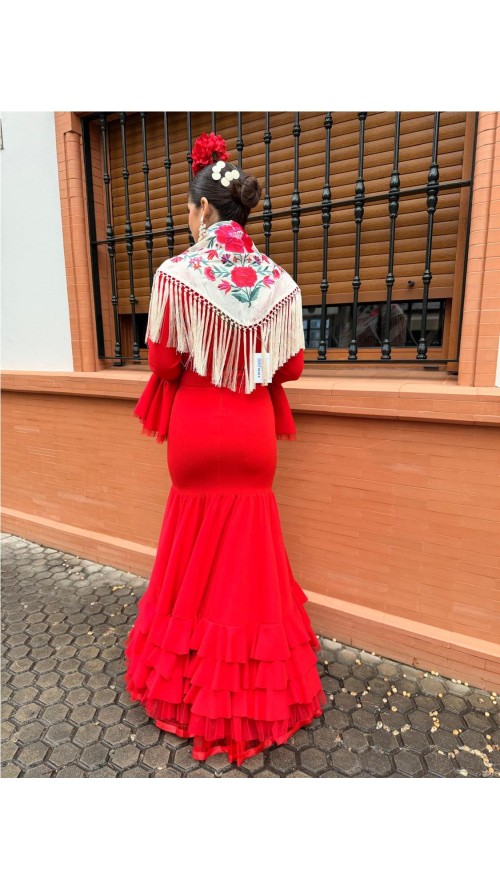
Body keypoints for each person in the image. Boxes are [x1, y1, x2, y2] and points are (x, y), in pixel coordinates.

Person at [124, 132, 327, 768]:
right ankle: (253, 694)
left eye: (189, 209)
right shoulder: (278, 283)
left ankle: (184, 686)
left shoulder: (177, 274)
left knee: (191, 554)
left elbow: (162, 359)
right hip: (249, 434)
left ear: (204, 210)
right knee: (246, 565)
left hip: (194, 431)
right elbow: (288, 373)